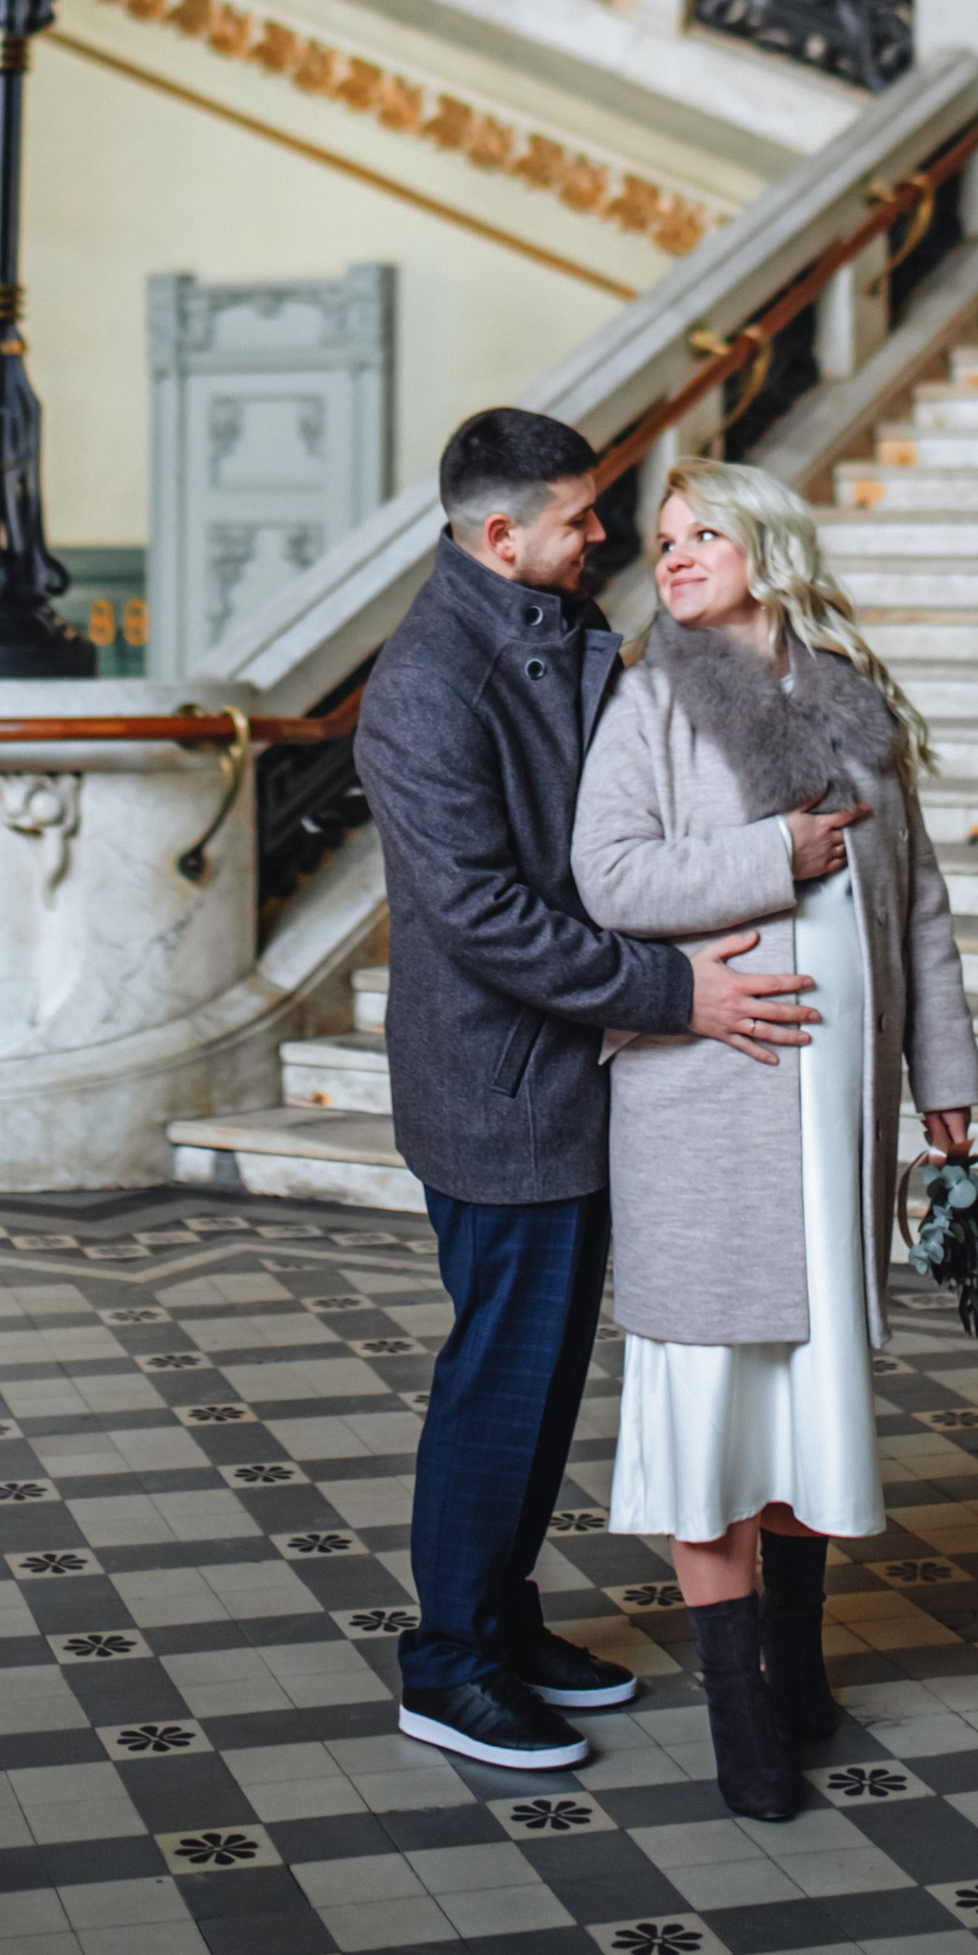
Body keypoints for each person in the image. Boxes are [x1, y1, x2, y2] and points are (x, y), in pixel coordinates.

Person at [354, 407, 820, 1773]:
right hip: (501, 1087)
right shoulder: (429, 682)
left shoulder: (549, 623)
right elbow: (486, 916)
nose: (603, 536)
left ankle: (496, 1619)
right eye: (580, 518)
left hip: (571, 1070)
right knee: (499, 1380)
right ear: (502, 536)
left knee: (544, 1376)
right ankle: (446, 1665)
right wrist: (681, 994)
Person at [571, 457, 978, 1821]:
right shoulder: (649, 698)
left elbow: (918, 902)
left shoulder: (854, 700)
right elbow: (609, 876)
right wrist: (776, 859)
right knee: (706, 1401)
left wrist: (944, 1073)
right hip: (705, 1091)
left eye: (703, 534)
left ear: (768, 544)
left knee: (811, 1397)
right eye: (662, 540)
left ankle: (799, 1676)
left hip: (835, 1107)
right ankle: (743, 1720)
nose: (675, 555)